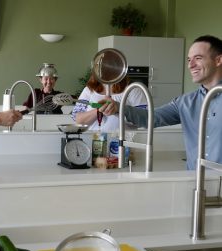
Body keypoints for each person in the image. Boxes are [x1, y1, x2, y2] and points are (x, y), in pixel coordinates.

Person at [100, 34, 222, 170]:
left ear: (218, 60)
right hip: (197, 181)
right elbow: (152, 117)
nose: (191, 65)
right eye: (189, 60)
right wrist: (118, 107)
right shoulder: (185, 102)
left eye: (198, 58)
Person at [72, 72, 147, 131]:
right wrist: (98, 110)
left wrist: (118, 109)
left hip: (125, 143)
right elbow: (78, 120)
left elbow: (145, 119)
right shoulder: (88, 90)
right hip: (94, 141)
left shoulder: (133, 90)